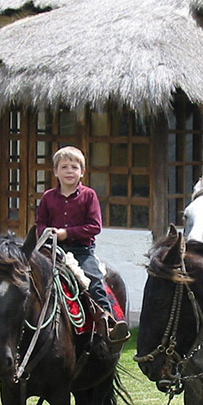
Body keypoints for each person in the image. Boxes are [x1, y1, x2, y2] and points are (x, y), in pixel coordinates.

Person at [35, 146, 129, 350]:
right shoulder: (48, 197)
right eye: (64, 167)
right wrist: (47, 232)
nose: (69, 171)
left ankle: (108, 322)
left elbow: (95, 226)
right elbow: (39, 223)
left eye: (74, 167)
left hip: (81, 251)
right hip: (53, 250)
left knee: (93, 281)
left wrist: (67, 233)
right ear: (55, 171)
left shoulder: (89, 196)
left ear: (82, 172)